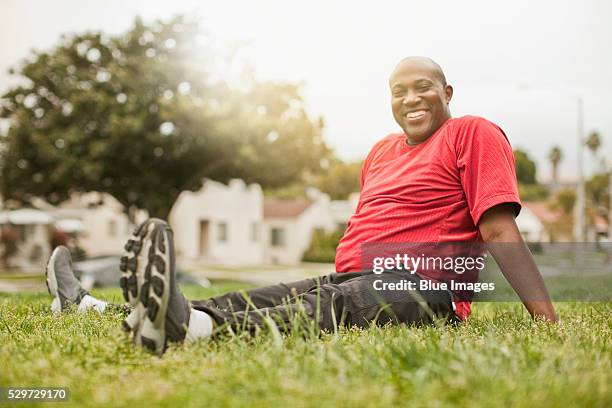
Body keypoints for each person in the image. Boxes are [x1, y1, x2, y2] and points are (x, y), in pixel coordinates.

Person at [45, 56, 558, 356]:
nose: (410, 98)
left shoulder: (473, 132)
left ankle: (190, 330)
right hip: (354, 278)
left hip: (423, 290)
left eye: (423, 87)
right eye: (398, 91)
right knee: (266, 295)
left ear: (447, 92)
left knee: (327, 309)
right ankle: (102, 308)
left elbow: (496, 229)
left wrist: (546, 322)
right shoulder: (380, 151)